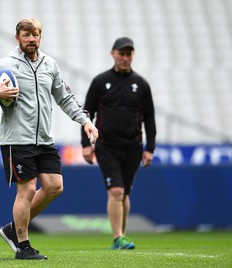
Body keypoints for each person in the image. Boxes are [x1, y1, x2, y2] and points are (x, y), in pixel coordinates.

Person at [0, 18, 98, 260]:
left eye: (35, 34)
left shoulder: (49, 65)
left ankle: (13, 229)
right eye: (26, 34)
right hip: (17, 140)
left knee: (55, 187)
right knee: (28, 189)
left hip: (44, 140)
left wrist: (85, 121)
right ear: (17, 37)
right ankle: (23, 246)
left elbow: (65, 98)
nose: (31, 39)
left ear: (40, 37)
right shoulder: (4, 65)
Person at [81, 37, 156, 250]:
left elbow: (149, 117)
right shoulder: (100, 81)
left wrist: (150, 148)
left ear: (133, 55)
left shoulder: (141, 84)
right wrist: (86, 144)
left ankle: (121, 237)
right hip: (106, 145)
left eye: (128, 54)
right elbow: (86, 114)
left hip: (133, 147)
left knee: (124, 193)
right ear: (112, 53)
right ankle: (118, 238)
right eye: (121, 53)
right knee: (116, 191)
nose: (125, 57)